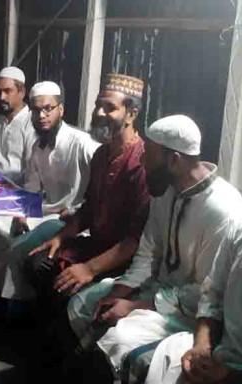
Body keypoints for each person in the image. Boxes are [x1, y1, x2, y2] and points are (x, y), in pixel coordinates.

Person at [66, 115, 242, 377]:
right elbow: (147, 253)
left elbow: (204, 293)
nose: (141, 161)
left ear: (174, 160)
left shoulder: (224, 210)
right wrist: (119, 292)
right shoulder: (165, 190)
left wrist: (136, 306)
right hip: (153, 290)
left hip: (186, 312)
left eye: (148, 156)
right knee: (83, 304)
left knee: (119, 335)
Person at [0, 81, 99, 309]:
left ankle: (14, 309)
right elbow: (30, 189)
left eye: (48, 108)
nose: (42, 116)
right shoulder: (38, 147)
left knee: (17, 249)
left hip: (73, 221)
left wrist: (77, 212)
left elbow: (102, 186)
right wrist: (22, 215)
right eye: (36, 110)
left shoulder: (82, 144)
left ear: (61, 109)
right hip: (46, 211)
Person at [26, 73, 150, 301]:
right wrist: (60, 238)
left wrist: (89, 269)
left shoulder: (141, 164)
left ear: (131, 114)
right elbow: (90, 209)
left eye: (109, 108)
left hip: (121, 260)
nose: (99, 113)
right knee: (38, 261)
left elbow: (135, 240)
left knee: (64, 287)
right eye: (97, 105)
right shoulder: (101, 154)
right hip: (95, 245)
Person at [137, 218, 242, 384]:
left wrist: (231, 378)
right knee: (155, 376)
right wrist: (202, 346)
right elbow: (212, 295)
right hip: (220, 349)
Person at [0, 66, 37, 185]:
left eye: (7, 91)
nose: (1, 97)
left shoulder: (32, 124)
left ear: (22, 92)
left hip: (18, 191)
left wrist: (7, 186)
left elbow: (31, 172)